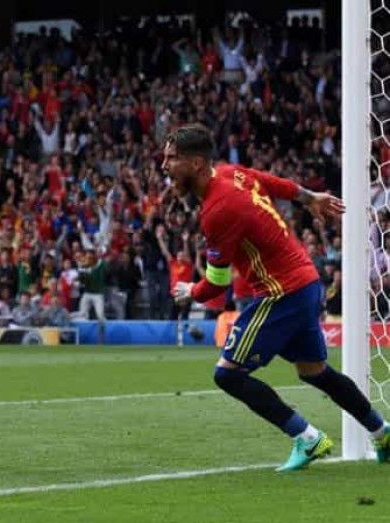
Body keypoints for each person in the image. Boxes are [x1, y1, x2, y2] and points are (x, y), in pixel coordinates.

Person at [165, 124, 390, 471]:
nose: (164, 165)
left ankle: (307, 437)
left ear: (195, 163)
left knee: (228, 374)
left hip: (281, 292)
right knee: (314, 371)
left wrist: (189, 291)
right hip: (305, 283)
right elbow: (272, 183)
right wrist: (309, 197)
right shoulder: (231, 173)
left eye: (171, 158)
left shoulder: (217, 210)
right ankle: (381, 431)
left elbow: (217, 284)